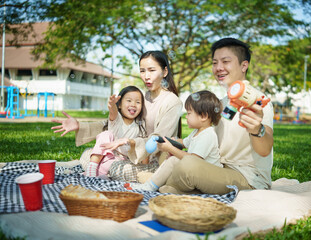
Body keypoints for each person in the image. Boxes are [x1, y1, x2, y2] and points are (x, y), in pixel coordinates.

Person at [159, 38, 274, 195]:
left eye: (225, 61)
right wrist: (168, 143)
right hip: (218, 168)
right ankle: (163, 182)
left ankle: (166, 187)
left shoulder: (257, 100)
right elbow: (201, 139)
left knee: (188, 165)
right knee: (170, 156)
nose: (218, 68)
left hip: (247, 178)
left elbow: (265, 149)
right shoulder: (221, 103)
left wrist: (257, 130)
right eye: (214, 63)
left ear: (244, 65)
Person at [51, 51, 182, 182]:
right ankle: (100, 170)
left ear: (165, 72)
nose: (146, 76)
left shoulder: (172, 102)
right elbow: (116, 122)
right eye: (142, 71)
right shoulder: (143, 98)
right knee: (88, 154)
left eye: (152, 70)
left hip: (152, 161)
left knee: (114, 168)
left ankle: (146, 177)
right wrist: (79, 125)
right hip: (128, 153)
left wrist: (129, 142)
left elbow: (158, 139)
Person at [127, 90, 223, 191]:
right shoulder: (197, 132)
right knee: (170, 157)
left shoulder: (207, 135)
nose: (186, 116)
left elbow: (193, 160)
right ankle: (155, 182)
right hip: (199, 172)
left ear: (203, 116)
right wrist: (169, 141)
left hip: (209, 177)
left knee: (174, 160)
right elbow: (184, 142)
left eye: (189, 113)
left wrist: (172, 149)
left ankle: (149, 186)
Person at [84, 86, 146, 177]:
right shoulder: (117, 119)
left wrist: (145, 167)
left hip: (121, 160)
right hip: (107, 153)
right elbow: (113, 112)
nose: (133, 104)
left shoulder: (140, 125)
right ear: (119, 105)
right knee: (106, 134)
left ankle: (94, 175)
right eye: (129, 101)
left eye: (138, 102)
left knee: (103, 171)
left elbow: (142, 147)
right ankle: (92, 167)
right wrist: (112, 105)